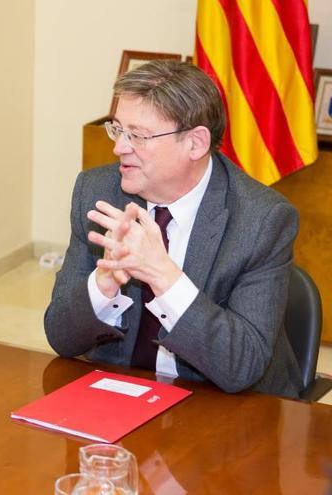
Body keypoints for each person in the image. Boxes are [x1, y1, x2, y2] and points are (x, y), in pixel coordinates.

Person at [44, 60, 302, 398]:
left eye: (137, 135)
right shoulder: (98, 192)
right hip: (124, 396)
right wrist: (102, 286)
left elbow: (243, 366)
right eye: (117, 129)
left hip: (225, 407)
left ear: (195, 143)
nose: (119, 147)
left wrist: (164, 277)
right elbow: (60, 337)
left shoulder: (262, 220)